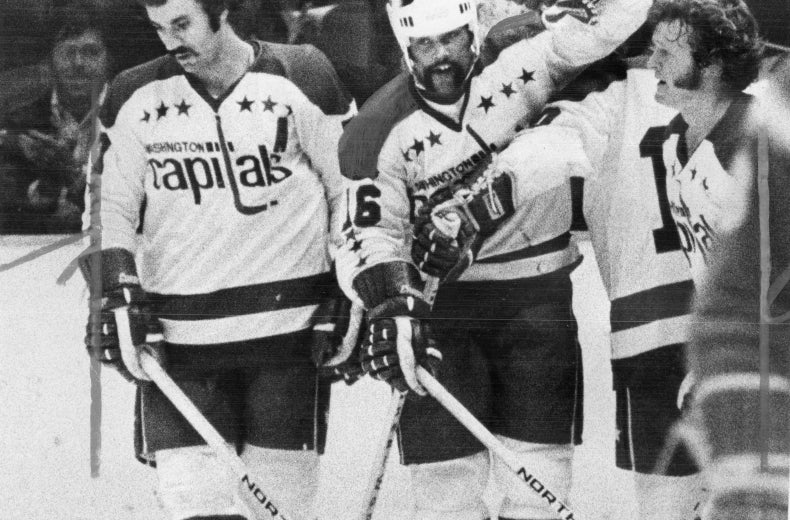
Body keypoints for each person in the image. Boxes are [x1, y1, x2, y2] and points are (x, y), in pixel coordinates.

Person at [334, 0, 650, 518]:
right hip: (444, 313)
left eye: (453, 39)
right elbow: (366, 233)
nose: (442, 57)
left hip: (537, 300)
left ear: (471, 29)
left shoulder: (523, 56)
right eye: (425, 44)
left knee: (539, 484)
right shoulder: (373, 131)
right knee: (446, 494)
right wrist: (391, 301)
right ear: (403, 45)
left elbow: (618, 21)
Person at [79, 0, 355, 518]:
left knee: (280, 507)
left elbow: (352, 188)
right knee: (194, 505)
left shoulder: (304, 73)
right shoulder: (132, 93)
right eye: (158, 28)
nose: (169, 42)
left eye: (182, 24)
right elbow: (105, 207)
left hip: (289, 337)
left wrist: (348, 289)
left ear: (222, 11)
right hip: (178, 341)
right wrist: (112, 291)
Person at [486, 51, 705, 518]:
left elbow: (548, 149)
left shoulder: (603, 96)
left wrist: (480, 201)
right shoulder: (746, 90)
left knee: (666, 508)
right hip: (742, 326)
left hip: (650, 329)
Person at [645, 0, 790, 518]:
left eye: (666, 52)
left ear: (710, 68)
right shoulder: (673, 145)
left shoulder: (753, 142)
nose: (651, 62)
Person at [0, 3, 110, 234]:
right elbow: (7, 211)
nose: (79, 63)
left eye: (91, 52)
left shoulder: (135, 115)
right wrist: (46, 189)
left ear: (110, 59)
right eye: (67, 52)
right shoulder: (20, 121)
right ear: (50, 61)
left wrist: (73, 177)